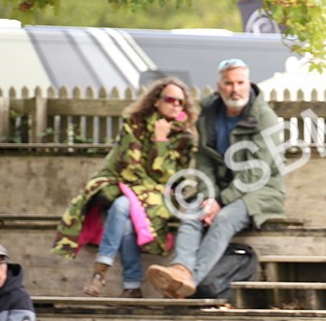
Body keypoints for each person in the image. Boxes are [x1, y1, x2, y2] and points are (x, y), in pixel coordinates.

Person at [146, 59, 284, 299]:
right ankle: (181, 269)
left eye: (240, 82)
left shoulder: (264, 118)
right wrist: (209, 195)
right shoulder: (209, 112)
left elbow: (256, 172)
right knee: (192, 211)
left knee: (224, 219)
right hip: (219, 188)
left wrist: (220, 201)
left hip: (259, 190)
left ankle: (190, 280)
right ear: (219, 86)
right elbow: (205, 159)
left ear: (248, 83)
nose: (235, 89)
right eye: (229, 83)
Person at [53, 77, 197, 297]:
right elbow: (129, 166)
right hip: (129, 187)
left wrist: (160, 140)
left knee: (122, 207)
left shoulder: (184, 137)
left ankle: (103, 273)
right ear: (156, 101)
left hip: (161, 197)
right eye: (170, 99)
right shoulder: (134, 125)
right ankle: (130, 285)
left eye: (181, 102)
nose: (176, 105)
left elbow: (169, 176)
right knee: (125, 216)